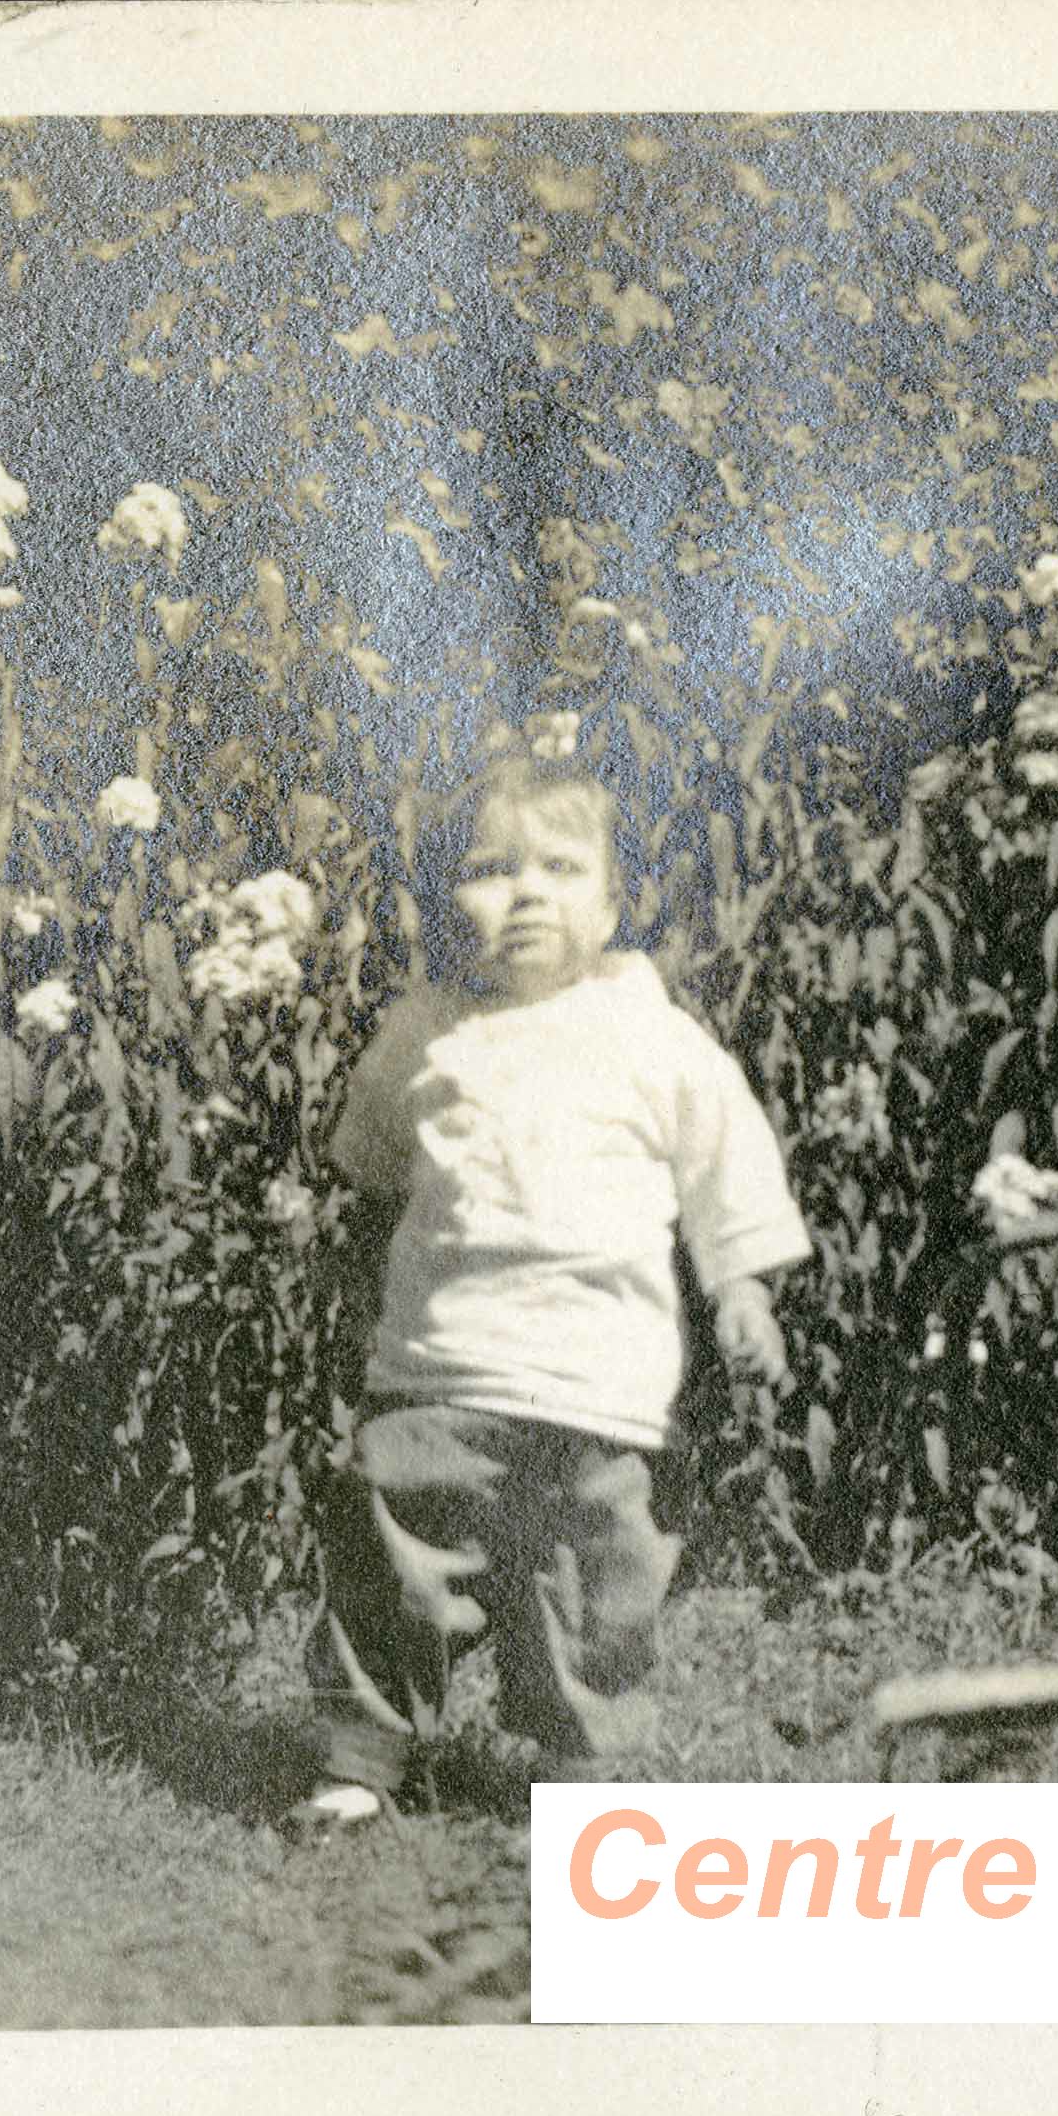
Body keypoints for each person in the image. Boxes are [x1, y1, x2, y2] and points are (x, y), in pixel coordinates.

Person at [294, 744, 808, 1831]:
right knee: (401, 1569)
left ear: (617, 900)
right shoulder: (427, 1032)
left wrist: (744, 1290)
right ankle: (362, 1761)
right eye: (489, 868)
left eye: (561, 869)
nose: (524, 894)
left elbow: (728, 1170)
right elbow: (375, 1158)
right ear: (450, 898)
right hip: (444, 1363)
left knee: (599, 1589)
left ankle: (582, 1769)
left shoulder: (656, 1040)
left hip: (601, 1385)